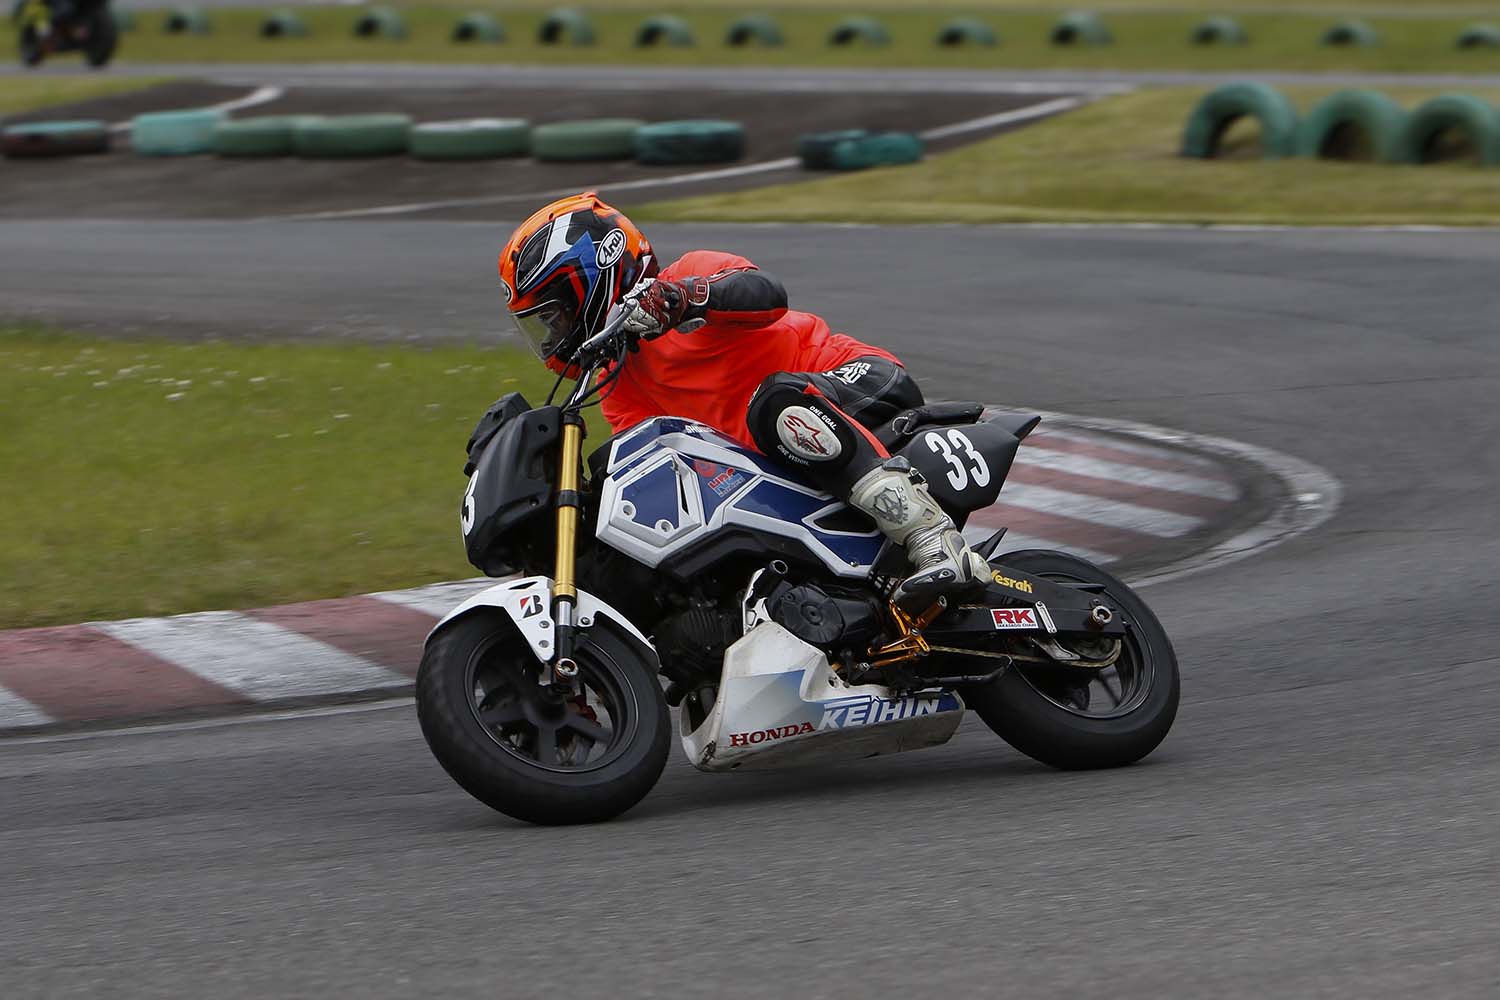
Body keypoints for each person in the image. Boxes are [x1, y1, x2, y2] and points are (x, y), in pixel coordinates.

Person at [497, 191, 989, 608]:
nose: (552, 337)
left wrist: (679, 299)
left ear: (592, 278)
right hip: (784, 466)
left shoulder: (687, 274)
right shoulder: (618, 381)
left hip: (852, 381)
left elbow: (765, 293)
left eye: (555, 316)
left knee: (776, 405)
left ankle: (933, 539)